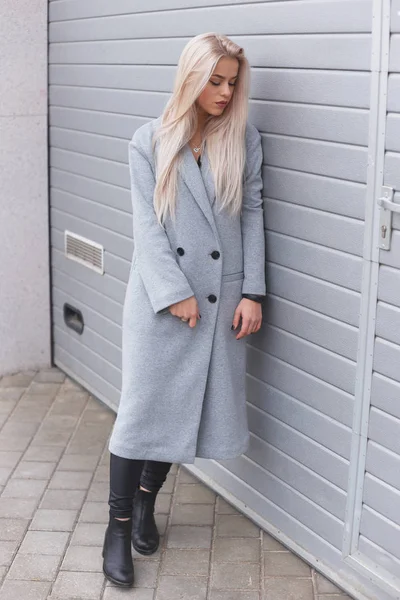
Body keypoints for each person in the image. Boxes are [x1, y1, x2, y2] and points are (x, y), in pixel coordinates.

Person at [102, 31, 266, 587]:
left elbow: (252, 216)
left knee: (184, 407)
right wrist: (174, 293)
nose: (225, 92)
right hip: (159, 301)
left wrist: (253, 291)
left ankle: (147, 503)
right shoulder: (148, 141)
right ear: (191, 78)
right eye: (215, 81)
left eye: (232, 82)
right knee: (143, 415)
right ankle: (117, 528)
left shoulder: (242, 137)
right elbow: (146, 229)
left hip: (221, 299)